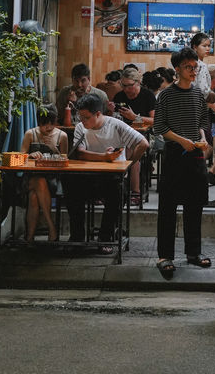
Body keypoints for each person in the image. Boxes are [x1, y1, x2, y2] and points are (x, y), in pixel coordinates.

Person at [65, 93, 149, 254]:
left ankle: (106, 236)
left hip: (113, 177)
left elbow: (143, 143)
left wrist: (128, 164)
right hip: (88, 177)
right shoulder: (81, 127)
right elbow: (80, 153)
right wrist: (104, 157)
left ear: (98, 114)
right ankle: (77, 236)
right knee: (71, 186)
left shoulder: (116, 125)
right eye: (80, 117)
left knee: (115, 191)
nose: (82, 121)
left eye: (86, 117)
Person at [154, 46, 211, 278]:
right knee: (167, 208)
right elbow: (159, 128)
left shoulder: (198, 93)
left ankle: (193, 253)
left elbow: (203, 120)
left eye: (195, 67)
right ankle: (164, 256)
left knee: (194, 206)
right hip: (174, 156)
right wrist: (182, 140)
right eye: (189, 67)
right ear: (177, 69)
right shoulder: (166, 95)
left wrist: (203, 137)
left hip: (196, 156)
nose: (193, 71)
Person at [20, 103, 68, 243]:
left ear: (55, 122)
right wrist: (30, 155)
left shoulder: (62, 136)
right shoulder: (30, 134)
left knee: (34, 197)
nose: (47, 128)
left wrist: (54, 149)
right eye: (43, 124)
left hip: (53, 180)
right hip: (29, 178)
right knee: (38, 181)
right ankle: (51, 227)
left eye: (51, 124)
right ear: (38, 122)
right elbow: (20, 157)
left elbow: (65, 160)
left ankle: (29, 238)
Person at [112, 68, 156, 206]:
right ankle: (112, 189)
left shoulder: (147, 96)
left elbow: (155, 120)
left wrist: (135, 117)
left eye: (129, 85)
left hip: (145, 135)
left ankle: (135, 191)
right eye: (123, 85)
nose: (126, 89)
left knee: (131, 148)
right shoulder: (119, 96)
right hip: (121, 134)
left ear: (138, 83)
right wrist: (110, 110)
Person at [190, 32, 212, 97]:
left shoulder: (189, 63)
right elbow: (203, 90)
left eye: (209, 46)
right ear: (195, 47)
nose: (207, 49)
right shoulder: (201, 65)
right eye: (204, 46)